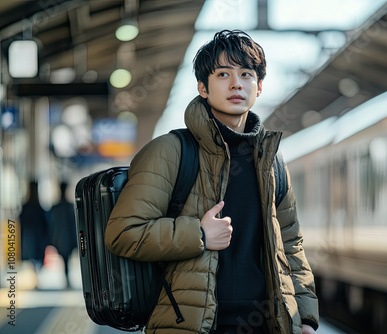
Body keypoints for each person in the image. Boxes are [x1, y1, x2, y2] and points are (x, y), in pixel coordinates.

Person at [105, 30, 319, 334]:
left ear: (258, 87)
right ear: (202, 87)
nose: (236, 83)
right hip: (191, 325)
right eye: (223, 74)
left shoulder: (271, 162)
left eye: (246, 74)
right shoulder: (171, 152)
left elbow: (290, 244)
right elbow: (123, 232)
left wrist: (306, 317)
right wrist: (199, 235)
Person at [48, 181, 77, 288]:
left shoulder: (55, 207)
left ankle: (66, 277)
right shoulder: (69, 206)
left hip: (59, 237)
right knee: (66, 258)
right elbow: (73, 223)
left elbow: (52, 224)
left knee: (65, 258)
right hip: (68, 236)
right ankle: (67, 277)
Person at [19, 181, 49, 279]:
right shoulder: (39, 207)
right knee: (38, 257)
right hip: (38, 237)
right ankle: (36, 275)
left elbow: (22, 221)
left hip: (29, 237)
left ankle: (34, 275)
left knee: (32, 257)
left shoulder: (25, 206)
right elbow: (45, 222)